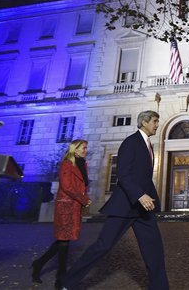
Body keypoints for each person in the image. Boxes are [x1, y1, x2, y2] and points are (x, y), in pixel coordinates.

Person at [58, 110, 169, 290]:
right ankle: (67, 283)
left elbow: (144, 177)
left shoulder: (149, 145)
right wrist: (140, 195)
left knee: (154, 249)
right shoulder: (130, 142)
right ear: (144, 122)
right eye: (155, 121)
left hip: (143, 208)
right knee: (103, 246)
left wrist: (148, 198)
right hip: (125, 206)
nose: (157, 124)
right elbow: (123, 175)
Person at [31, 139, 91, 287]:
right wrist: (84, 199)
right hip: (66, 206)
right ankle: (61, 279)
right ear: (75, 150)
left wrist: (85, 199)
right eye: (83, 148)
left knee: (64, 240)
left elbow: (83, 185)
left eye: (86, 148)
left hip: (75, 205)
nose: (85, 151)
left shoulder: (83, 164)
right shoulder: (66, 164)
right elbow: (67, 187)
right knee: (64, 242)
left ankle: (39, 264)